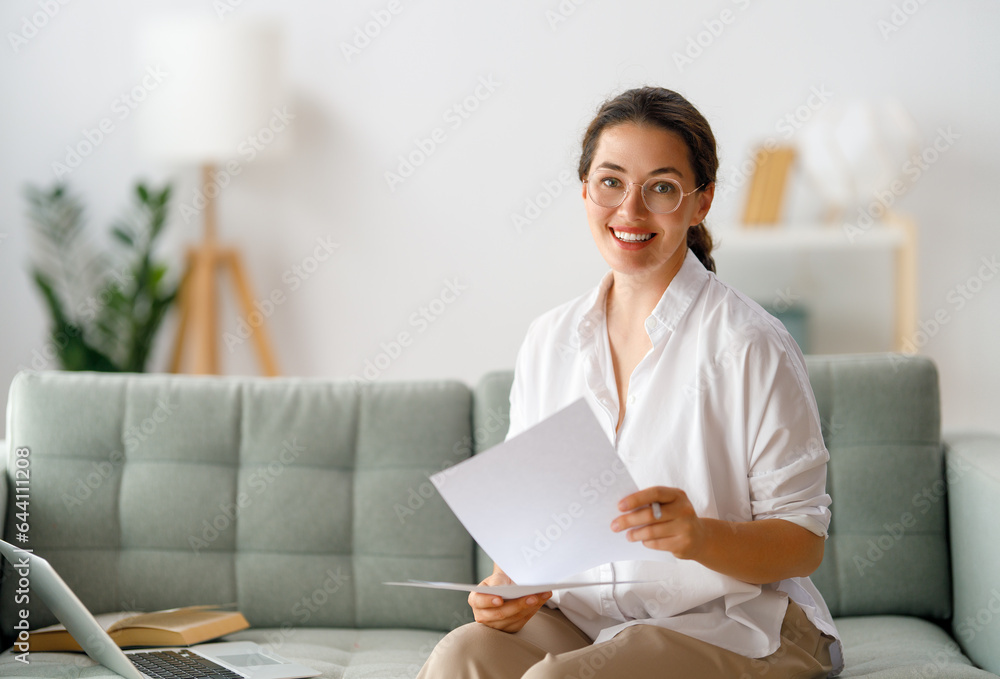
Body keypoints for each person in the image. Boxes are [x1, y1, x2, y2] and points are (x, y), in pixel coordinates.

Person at [416, 86, 843, 679]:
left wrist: (697, 536)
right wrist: (510, 587)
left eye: (662, 188)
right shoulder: (548, 340)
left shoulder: (750, 343)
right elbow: (533, 533)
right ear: (586, 190)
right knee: (461, 654)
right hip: (589, 620)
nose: (630, 212)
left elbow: (803, 541)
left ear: (700, 203)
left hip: (741, 625)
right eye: (611, 182)